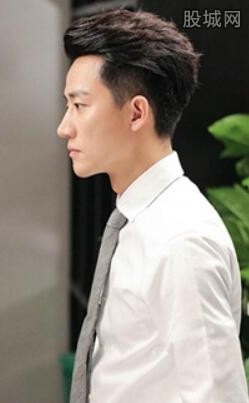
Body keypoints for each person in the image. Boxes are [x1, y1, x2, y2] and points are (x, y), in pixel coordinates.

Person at [57, 9, 248, 403]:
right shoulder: (139, 221)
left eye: (79, 105)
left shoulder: (181, 241)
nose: (64, 127)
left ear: (137, 113)